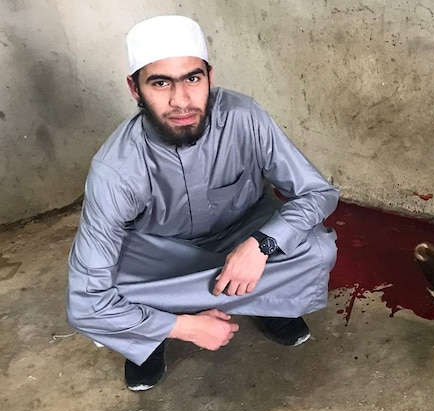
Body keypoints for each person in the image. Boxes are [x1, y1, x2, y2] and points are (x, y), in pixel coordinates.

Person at [66, 15, 339, 391]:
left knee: (317, 248)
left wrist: (263, 244)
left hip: (242, 234)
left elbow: (318, 192)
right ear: (135, 88)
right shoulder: (116, 169)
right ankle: (152, 338)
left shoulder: (244, 117)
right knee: (103, 288)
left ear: (210, 76)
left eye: (192, 79)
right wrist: (186, 326)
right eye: (160, 83)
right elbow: (84, 303)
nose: (181, 101)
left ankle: (271, 303)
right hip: (162, 258)